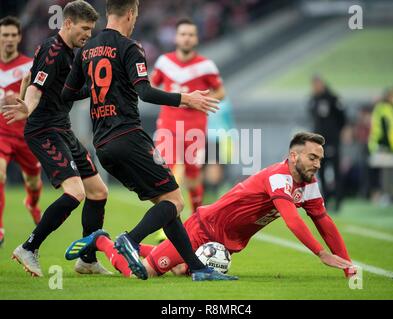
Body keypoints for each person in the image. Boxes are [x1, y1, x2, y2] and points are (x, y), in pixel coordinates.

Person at [60, 0, 236, 281]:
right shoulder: (130, 47)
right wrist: (184, 99)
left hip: (103, 145)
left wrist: (96, 88)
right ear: (130, 14)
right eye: (135, 16)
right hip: (129, 138)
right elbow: (144, 92)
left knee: (166, 204)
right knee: (176, 201)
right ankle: (129, 240)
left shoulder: (87, 51)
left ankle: (198, 268)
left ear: (108, 13)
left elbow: (68, 94)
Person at [66, 132, 355, 279]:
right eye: (312, 158)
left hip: (224, 240)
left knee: (178, 268)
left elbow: (323, 221)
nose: (317, 164)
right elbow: (293, 220)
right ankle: (103, 240)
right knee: (144, 273)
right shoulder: (279, 177)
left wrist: (346, 265)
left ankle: (130, 246)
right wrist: (321, 254)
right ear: (294, 156)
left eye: (319, 158)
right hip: (204, 229)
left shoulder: (307, 184)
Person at [1, 1, 110, 277]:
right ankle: (29, 247)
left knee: (98, 192)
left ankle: (87, 260)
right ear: (69, 23)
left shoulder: (70, 52)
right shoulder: (53, 51)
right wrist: (28, 105)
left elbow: (29, 76)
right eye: (85, 28)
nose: (88, 34)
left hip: (62, 128)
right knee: (75, 192)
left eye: (91, 29)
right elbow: (37, 87)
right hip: (44, 130)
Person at [151, 18, 226, 213]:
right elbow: (151, 86)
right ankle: (164, 225)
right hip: (168, 126)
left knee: (193, 177)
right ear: (176, 37)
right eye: (183, 34)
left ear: (196, 39)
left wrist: (200, 99)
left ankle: (196, 217)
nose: (186, 38)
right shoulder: (164, 62)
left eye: (191, 35)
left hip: (194, 129)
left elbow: (221, 92)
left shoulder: (206, 66)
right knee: (166, 171)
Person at [0, 16, 43, 247]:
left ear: (19, 38)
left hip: (26, 135)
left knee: (34, 182)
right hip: (1, 134)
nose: (9, 39)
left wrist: (20, 99)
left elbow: (38, 95)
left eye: (13, 35)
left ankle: (32, 204)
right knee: (0, 174)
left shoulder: (29, 66)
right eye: (5, 35)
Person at [308, 75, 346, 211]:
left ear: (322, 84)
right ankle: (325, 198)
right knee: (320, 169)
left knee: (335, 169)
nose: (314, 87)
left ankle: (338, 200)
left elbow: (342, 118)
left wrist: (339, 132)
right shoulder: (313, 100)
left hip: (332, 140)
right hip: (318, 142)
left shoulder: (333, 98)